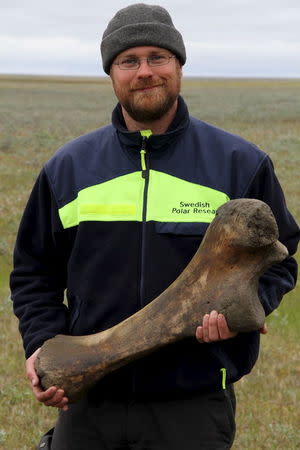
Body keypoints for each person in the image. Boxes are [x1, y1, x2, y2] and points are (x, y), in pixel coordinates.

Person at [10, 3, 299, 450]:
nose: (145, 72)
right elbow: (34, 272)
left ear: (179, 65)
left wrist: (242, 305)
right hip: (90, 400)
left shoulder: (240, 165)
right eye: (129, 61)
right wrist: (46, 346)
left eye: (157, 57)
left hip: (193, 403)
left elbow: (279, 261)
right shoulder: (68, 169)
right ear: (112, 73)